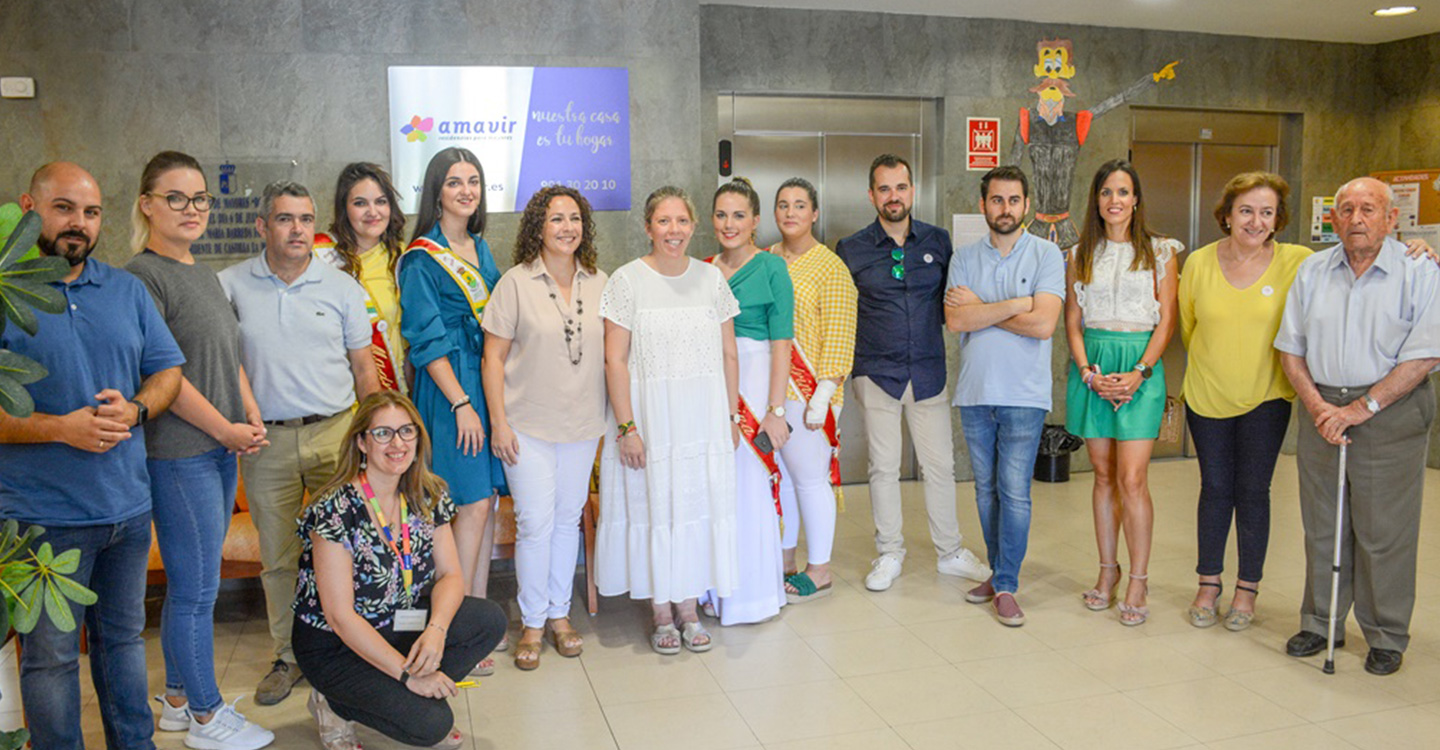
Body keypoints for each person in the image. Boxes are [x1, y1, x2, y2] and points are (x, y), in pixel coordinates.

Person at [0, 162, 183, 750]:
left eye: (92, 211)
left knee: (125, 642)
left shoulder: (125, 289)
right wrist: (60, 428)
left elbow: (168, 371)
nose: (79, 223)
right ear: (29, 207)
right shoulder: (7, 294)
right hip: (40, 519)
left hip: (126, 512)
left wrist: (136, 410)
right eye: (63, 208)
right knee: (52, 661)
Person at [124, 151, 274, 749]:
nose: (192, 210)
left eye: (201, 199)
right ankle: (209, 719)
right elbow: (167, 377)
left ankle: (181, 703)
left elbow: (226, 354)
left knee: (197, 584)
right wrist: (226, 430)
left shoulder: (203, 271)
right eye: (177, 198)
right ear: (147, 204)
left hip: (218, 446)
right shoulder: (142, 275)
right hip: (180, 452)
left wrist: (249, 410)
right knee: (193, 592)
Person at [219, 180, 380, 705]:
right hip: (267, 442)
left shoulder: (342, 288)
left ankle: (353, 647)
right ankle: (288, 657)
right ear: (262, 226)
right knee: (280, 558)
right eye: (285, 219)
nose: (297, 230)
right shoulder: (231, 286)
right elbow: (225, 366)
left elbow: (363, 368)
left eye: (306, 219)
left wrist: (376, 435)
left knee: (353, 548)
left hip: (336, 433)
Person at [1274, 177, 1440, 676]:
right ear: (1333, 219)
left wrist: (1361, 408)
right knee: (1323, 523)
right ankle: (1321, 621)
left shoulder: (1419, 270)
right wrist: (1320, 407)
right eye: (1345, 209)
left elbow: (1426, 353)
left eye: (1369, 209)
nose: (1355, 219)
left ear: (1392, 219)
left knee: (1383, 529)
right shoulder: (1312, 271)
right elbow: (1291, 348)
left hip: (1391, 409)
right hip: (1322, 405)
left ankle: (1386, 632)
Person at [292, 391, 506, 750]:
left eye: (407, 432)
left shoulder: (426, 493)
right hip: (335, 645)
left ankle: (397, 690)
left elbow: (451, 576)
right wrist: (409, 675)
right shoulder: (334, 509)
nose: (398, 443)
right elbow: (340, 617)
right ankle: (335, 702)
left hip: (395, 620)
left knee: (487, 620)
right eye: (383, 433)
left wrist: (436, 631)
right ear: (361, 442)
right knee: (432, 725)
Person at [835, 154, 990, 592]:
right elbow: (841, 311)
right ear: (871, 195)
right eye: (884, 189)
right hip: (877, 373)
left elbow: (954, 304)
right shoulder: (852, 248)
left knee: (939, 464)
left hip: (927, 371)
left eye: (900, 187)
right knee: (883, 466)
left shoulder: (938, 242)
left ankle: (950, 551)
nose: (893, 197)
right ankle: (889, 553)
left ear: (912, 190)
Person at [597, 186, 741, 654]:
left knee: (693, 510)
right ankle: (661, 612)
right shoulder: (626, 280)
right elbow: (614, 361)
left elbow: (728, 352)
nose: (673, 231)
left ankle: (689, 608)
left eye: (682, 221)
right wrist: (627, 427)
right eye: (664, 221)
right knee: (657, 509)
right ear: (648, 226)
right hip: (651, 420)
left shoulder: (712, 279)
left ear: (693, 225)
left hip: (702, 418)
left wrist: (731, 415)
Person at [480, 186, 606, 669]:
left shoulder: (600, 281)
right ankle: (532, 622)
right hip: (525, 425)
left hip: (582, 424)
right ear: (538, 226)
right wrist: (499, 423)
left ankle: (560, 616)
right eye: (556, 219)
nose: (566, 227)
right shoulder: (515, 282)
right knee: (534, 522)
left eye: (574, 218)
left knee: (567, 518)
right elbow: (493, 357)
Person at [398, 147, 510, 674]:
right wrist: (462, 402)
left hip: (483, 385)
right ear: (435, 191)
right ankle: (460, 629)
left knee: (483, 504)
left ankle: (477, 622)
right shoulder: (423, 256)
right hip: (451, 393)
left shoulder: (480, 247)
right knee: (465, 505)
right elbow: (425, 339)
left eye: (474, 181)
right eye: (454, 181)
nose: (466, 190)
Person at [944, 165, 1065, 627]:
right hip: (975, 391)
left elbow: (1045, 324)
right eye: (997, 200)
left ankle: (1008, 583)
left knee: (1014, 493)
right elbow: (955, 321)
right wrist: (1017, 303)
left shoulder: (1047, 255)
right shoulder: (964, 257)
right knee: (986, 492)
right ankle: (998, 574)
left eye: (1014, 200)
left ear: (1027, 206)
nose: (1005, 209)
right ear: (983, 205)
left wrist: (983, 308)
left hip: (1024, 394)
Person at [1064, 158, 1181, 626]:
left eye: (1124, 192)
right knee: (1102, 474)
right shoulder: (1078, 254)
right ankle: (1107, 572)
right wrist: (1089, 373)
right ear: (1097, 199)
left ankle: (1138, 577)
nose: (1115, 200)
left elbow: (1167, 319)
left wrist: (1140, 371)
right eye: (1107, 192)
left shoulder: (1161, 251)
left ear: (1136, 199)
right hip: (1092, 365)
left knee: (1133, 478)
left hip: (1140, 368)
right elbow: (1072, 323)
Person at [704, 177, 793, 625]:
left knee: (748, 484)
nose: (729, 223)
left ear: (756, 221)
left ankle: (750, 596)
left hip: (756, 384)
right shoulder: (700, 268)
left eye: (739, 215)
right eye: (721, 214)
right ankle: (713, 588)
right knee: (716, 487)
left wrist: (776, 410)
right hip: (713, 382)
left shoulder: (773, 268)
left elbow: (782, 343)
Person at [766, 178, 856, 604]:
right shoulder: (765, 258)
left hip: (809, 397)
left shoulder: (830, 267)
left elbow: (840, 335)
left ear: (814, 213)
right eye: (782, 205)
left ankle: (818, 569)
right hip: (768, 392)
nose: (790, 213)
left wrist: (822, 394)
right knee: (779, 479)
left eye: (799, 205)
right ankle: (784, 560)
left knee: (809, 480)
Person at [314, 162, 408, 392]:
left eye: (381, 201)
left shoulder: (403, 257)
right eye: (360, 203)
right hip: (341, 398)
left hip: (396, 394)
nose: (373, 212)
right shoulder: (319, 257)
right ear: (343, 208)